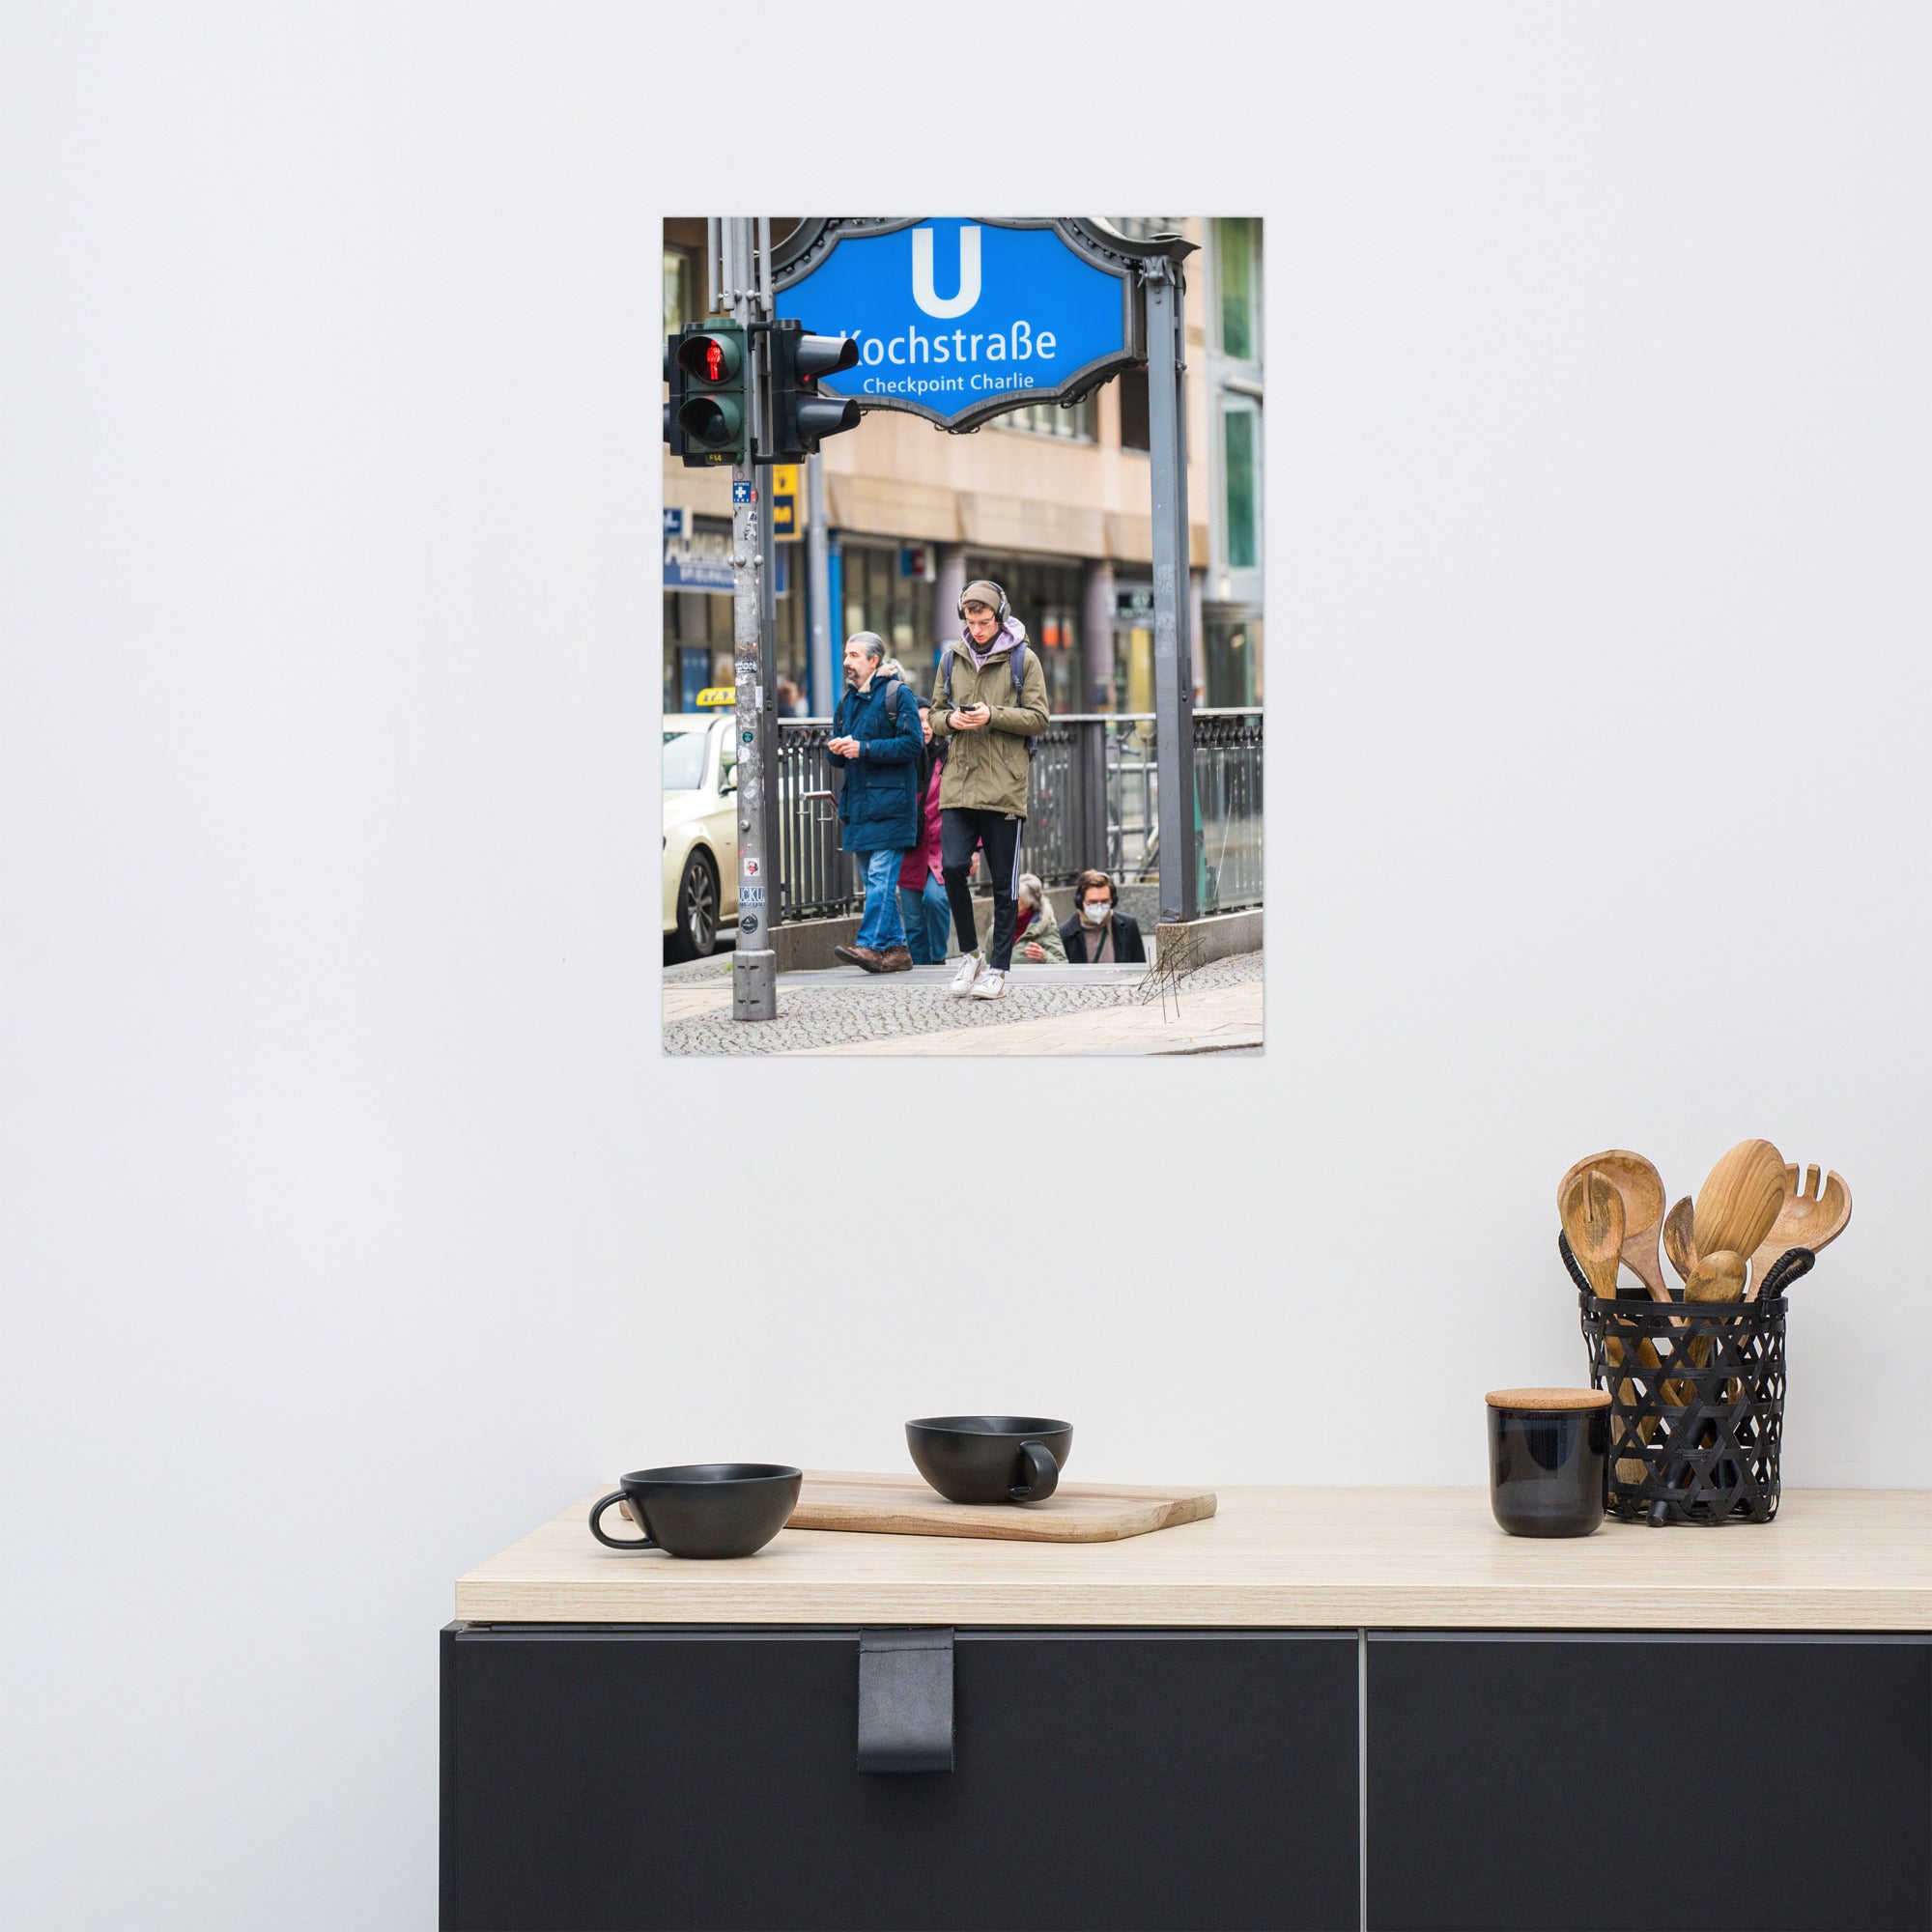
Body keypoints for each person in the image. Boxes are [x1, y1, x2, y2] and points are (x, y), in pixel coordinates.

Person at [928, 580, 1050, 1002]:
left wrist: (992, 715)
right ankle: (971, 955)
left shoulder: (1024, 659)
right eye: (971, 620)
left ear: (1000, 616)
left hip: (1003, 787)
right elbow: (936, 714)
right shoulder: (950, 658)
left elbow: (1038, 718)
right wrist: (952, 722)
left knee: (1004, 883)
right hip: (959, 782)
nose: (977, 629)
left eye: (984, 621)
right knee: (953, 866)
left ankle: (998, 967)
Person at [824, 632, 923, 973]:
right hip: (861, 807)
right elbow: (839, 757)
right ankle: (897, 951)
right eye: (846, 655)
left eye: (854, 655)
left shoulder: (899, 695)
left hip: (892, 807)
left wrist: (863, 749)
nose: (847, 662)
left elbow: (912, 745)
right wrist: (835, 749)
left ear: (874, 661)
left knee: (880, 880)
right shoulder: (847, 701)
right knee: (873, 882)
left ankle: (867, 946)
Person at [896, 698, 952, 965]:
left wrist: (975, 849)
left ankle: (939, 958)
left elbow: (967, 802)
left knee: (936, 899)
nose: (925, 727)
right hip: (909, 847)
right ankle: (920, 968)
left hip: (942, 847)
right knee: (914, 920)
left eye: (929, 720)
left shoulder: (949, 756)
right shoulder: (901, 758)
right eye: (918, 721)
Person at [1059, 867, 1147, 964]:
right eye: (1093, 902)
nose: (1099, 907)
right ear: (1080, 901)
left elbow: (1139, 968)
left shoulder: (1128, 926)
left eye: (1104, 901)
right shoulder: (1065, 933)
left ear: (1113, 901)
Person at [1009, 873, 1067, 964]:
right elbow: (987, 967)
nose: (1010, 899)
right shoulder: (997, 928)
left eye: (1016, 896)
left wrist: (1044, 956)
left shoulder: (1045, 928)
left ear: (1028, 902)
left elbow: (1063, 965)